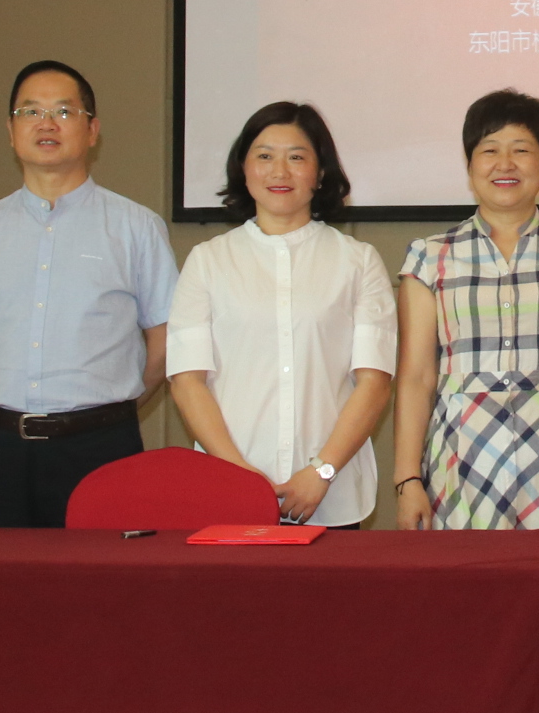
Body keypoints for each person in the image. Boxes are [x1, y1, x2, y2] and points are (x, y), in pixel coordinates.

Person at [0, 61, 176, 528]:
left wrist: (108, 408)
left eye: (64, 112)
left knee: (101, 575)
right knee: (1, 574)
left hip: (101, 447)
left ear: (93, 131)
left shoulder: (136, 227)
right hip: (0, 451)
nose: (46, 123)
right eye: (30, 111)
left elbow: (165, 343)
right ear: (11, 131)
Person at [392, 89, 539, 531]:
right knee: (467, 576)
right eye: (489, 151)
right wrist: (408, 480)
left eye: (521, 150)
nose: (505, 164)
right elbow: (416, 377)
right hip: (460, 460)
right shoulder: (430, 256)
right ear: (469, 164)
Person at [167, 103, 398, 527]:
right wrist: (238, 474)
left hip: (330, 494)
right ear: (243, 168)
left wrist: (321, 471)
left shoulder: (358, 261)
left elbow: (375, 382)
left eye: (296, 157)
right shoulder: (208, 261)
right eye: (264, 156)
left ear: (320, 172)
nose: (279, 171)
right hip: (230, 490)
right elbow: (187, 381)